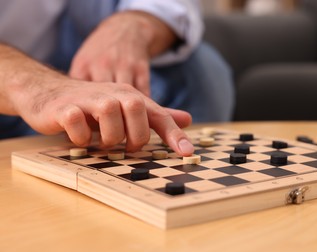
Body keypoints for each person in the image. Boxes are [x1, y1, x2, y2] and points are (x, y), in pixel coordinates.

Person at [0, 0, 234, 156]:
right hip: (14, 81)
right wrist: (38, 88)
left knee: (199, 69)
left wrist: (136, 23)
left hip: (75, 62)